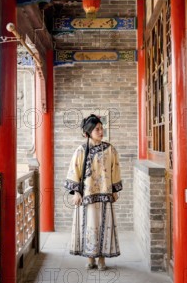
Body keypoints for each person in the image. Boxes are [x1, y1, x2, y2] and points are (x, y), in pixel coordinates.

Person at [64, 114, 122, 270]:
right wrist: (76, 193)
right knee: (89, 226)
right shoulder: (81, 151)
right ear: (88, 132)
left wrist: (115, 190)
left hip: (105, 195)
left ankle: (102, 259)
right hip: (87, 196)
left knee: (104, 226)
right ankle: (90, 258)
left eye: (102, 128)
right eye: (97, 129)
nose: (101, 131)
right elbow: (74, 171)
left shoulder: (110, 150)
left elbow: (115, 169)